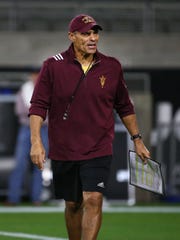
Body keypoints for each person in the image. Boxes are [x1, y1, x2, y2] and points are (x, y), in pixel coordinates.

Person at [29, 14, 150, 240]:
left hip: (98, 147)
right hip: (64, 148)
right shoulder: (52, 66)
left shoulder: (112, 67)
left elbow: (124, 106)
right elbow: (38, 106)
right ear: (72, 36)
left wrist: (137, 139)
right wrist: (36, 142)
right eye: (86, 33)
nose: (92, 38)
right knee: (73, 204)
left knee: (93, 199)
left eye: (95, 33)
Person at [6, 70, 48, 205]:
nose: (36, 77)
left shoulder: (48, 90)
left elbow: (51, 112)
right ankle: (13, 198)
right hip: (26, 129)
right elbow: (20, 111)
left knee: (40, 164)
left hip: (42, 129)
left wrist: (34, 112)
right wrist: (38, 113)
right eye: (34, 75)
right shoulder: (24, 90)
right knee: (20, 164)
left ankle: (37, 198)